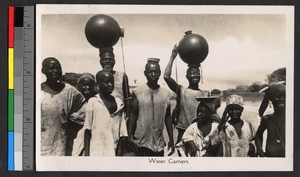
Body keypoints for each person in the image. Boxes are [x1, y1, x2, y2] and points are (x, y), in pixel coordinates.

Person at [128, 58, 175, 156]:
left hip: (158, 142)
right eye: (150, 72)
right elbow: (133, 114)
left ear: (160, 73)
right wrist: (129, 136)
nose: (153, 74)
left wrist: (171, 139)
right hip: (140, 142)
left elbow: (168, 117)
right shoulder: (137, 92)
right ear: (145, 73)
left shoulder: (166, 94)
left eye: (156, 72)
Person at [164, 45, 208, 148]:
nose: (195, 75)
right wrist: (172, 57)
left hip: (200, 132)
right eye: (192, 73)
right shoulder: (182, 90)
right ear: (187, 76)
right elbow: (166, 76)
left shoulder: (206, 94)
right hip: (183, 132)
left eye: (197, 73)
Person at [41, 57, 85, 156]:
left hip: (61, 143)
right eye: (52, 68)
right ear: (43, 70)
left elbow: (81, 110)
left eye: (58, 68)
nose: (55, 71)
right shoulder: (38, 91)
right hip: (41, 142)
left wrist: (67, 128)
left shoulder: (70, 91)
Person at [83, 70, 127, 156]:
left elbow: (122, 132)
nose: (110, 85)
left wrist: (119, 153)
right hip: (96, 150)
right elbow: (87, 130)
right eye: (106, 82)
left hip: (113, 150)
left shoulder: (119, 103)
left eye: (112, 82)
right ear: (98, 85)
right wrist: (87, 154)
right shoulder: (93, 102)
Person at [99, 47, 130, 118]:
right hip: (101, 116)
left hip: (119, 115)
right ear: (100, 62)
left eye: (110, 59)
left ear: (114, 61)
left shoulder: (122, 76)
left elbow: (128, 99)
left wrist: (127, 117)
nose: (107, 61)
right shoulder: (96, 77)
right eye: (104, 60)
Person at [255, 84, 285, 157]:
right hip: (270, 157)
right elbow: (258, 134)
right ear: (271, 98)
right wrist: (259, 149)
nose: (282, 99)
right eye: (278, 96)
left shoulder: (292, 119)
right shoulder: (267, 119)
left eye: (285, 96)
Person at [71, 73, 96, 156]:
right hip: (76, 135)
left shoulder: (96, 100)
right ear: (78, 86)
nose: (87, 87)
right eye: (84, 85)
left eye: (90, 85)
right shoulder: (74, 100)